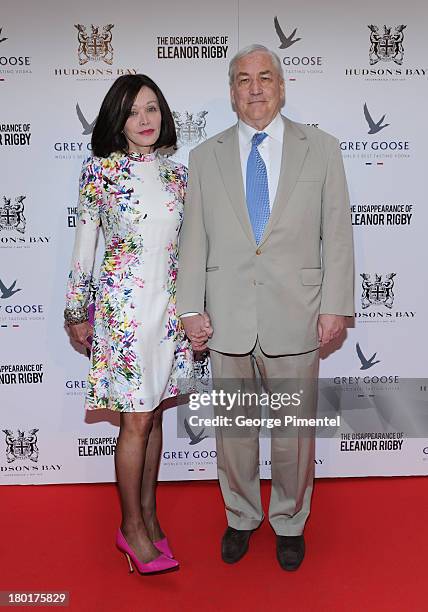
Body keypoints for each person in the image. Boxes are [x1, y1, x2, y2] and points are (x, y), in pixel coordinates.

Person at [176, 45, 354, 570]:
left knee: (293, 432)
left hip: (297, 312)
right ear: (231, 91)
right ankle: (240, 515)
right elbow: (194, 242)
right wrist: (190, 309)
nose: (255, 88)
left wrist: (336, 305)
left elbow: (337, 235)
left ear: (281, 85)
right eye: (243, 79)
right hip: (227, 315)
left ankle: (290, 520)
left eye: (265, 78)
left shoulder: (321, 149)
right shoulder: (203, 156)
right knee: (233, 431)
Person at [64, 74, 209, 575]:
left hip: (167, 311)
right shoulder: (100, 172)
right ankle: (130, 529)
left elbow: (193, 251)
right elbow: (85, 246)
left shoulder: (178, 175)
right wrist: (75, 310)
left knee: (156, 416)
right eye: (132, 112)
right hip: (123, 313)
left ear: (163, 114)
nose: (144, 120)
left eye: (151, 109)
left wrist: (197, 308)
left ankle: (148, 514)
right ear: (117, 120)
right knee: (137, 421)